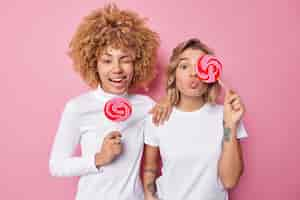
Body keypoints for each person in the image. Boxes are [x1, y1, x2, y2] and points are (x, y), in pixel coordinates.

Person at [49, 4, 160, 200]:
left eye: (125, 59)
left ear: (137, 63)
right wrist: (100, 158)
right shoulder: (78, 108)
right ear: (94, 64)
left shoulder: (146, 106)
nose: (117, 69)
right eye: (107, 60)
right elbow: (56, 166)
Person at [142, 38, 248, 200]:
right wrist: (150, 196)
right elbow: (150, 168)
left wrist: (230, 124)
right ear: (174, 75)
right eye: (184, 66)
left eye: (199, 66)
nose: (193, 73)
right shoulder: (157, 117)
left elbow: (229, 181)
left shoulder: (226, 115)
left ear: (211, 75)